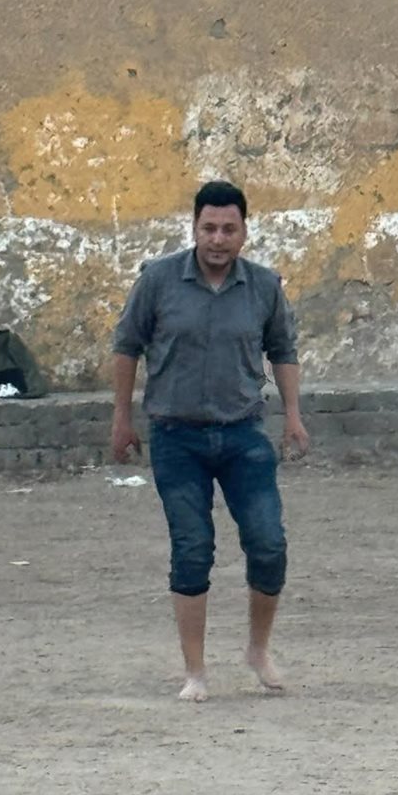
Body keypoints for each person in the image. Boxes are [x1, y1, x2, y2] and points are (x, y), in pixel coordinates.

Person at [110, 180, 309, 701]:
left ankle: (258, 650)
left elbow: (283, 350)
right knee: (193, 548)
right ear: (194, 228)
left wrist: (293, 416)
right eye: (209, 228)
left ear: (244, 232)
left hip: (244, 434)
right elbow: (126, 346)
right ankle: (195, 672)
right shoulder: (158, 281)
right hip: (176, 437)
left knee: (268, 542)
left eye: (228, 229)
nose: (218, 239)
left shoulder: (263, 286)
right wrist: (121, 419)